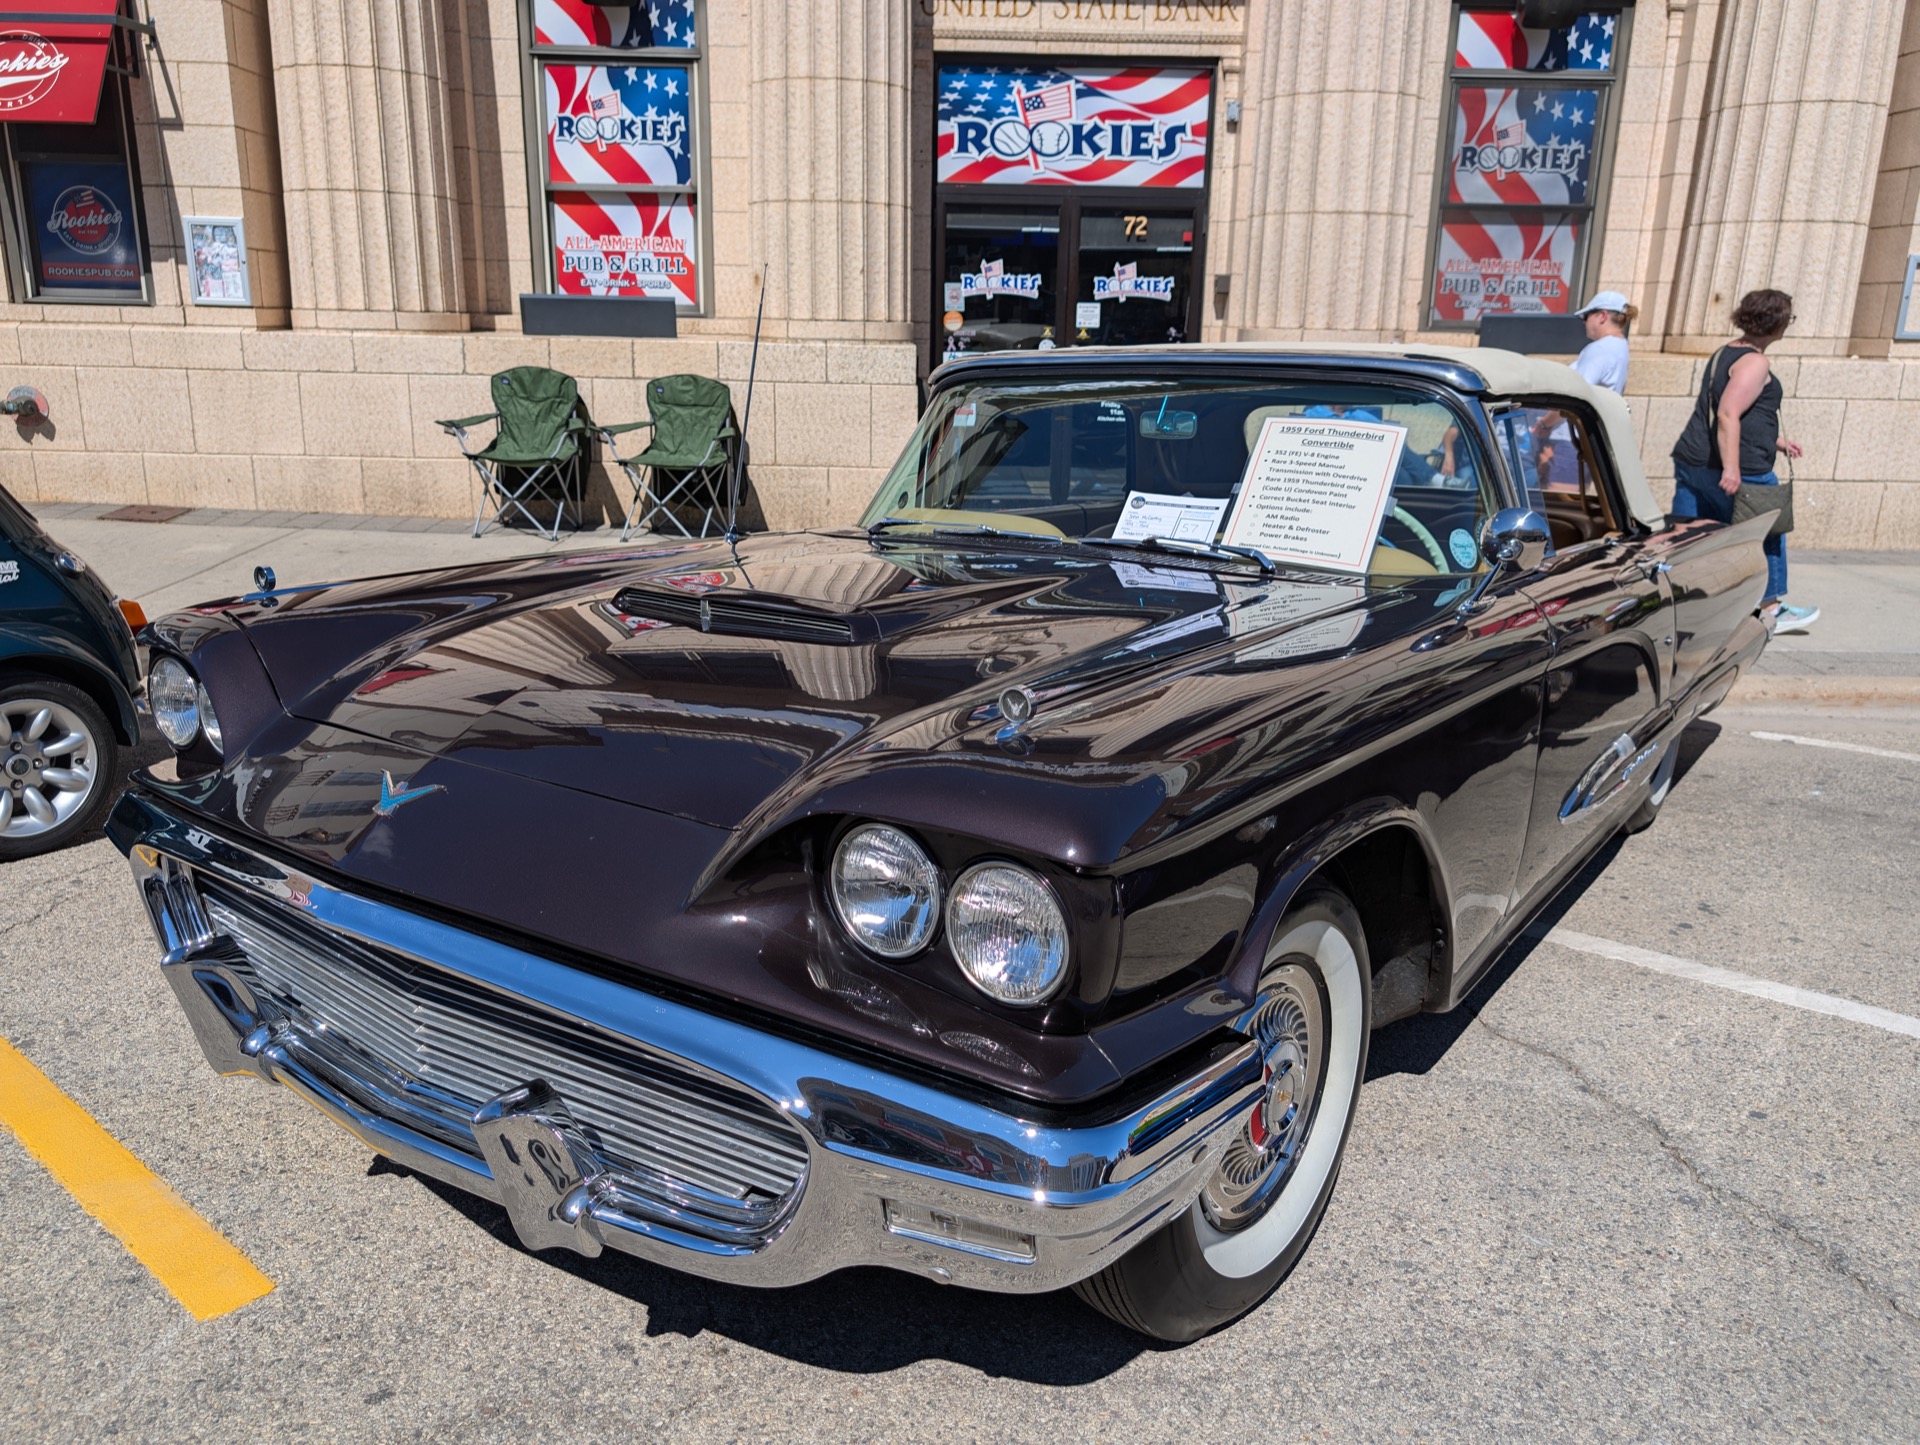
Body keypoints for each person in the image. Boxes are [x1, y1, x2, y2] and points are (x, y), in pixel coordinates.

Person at [1669, 289, 1815, 633]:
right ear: (1776, 322)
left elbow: (1739, 412)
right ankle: (1772, 608)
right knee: (1768, 533)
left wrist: (1776, 441)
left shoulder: (1726, 352)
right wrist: (1732, 468)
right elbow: (1728, 413)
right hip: (1743, 471)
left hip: (1695, 461)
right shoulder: (1756, 362)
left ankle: (1682, 602)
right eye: (1788, 319)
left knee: (1693, 535)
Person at [1533, 290, 1637, 489]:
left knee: (1559, 506)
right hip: (1586, 440)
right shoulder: (1619, 347)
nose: (1584, 322)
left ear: (1602, 316)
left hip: (1571, 442)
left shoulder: (1601, 348)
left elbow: (1573, 397)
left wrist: (1545, 424)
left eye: (1586, 317)